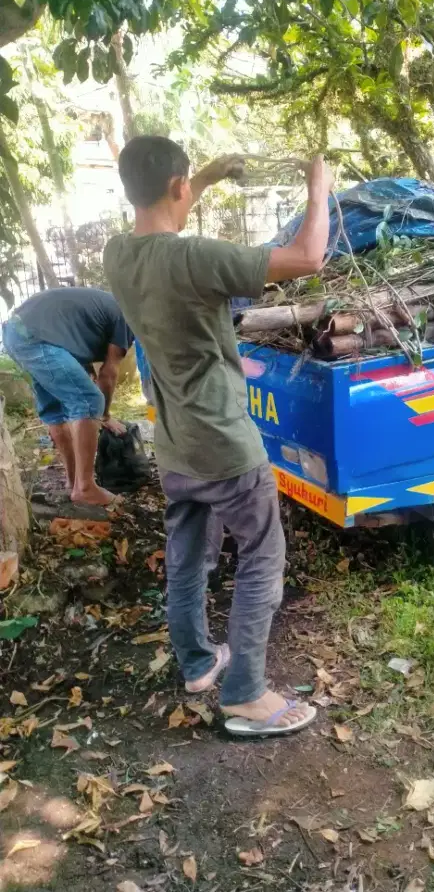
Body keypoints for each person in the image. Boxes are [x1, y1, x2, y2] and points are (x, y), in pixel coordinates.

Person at [104, 136, 333, 737]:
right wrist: (319, 186)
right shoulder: (196, 259)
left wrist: (200, 176)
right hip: (227, 446)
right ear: (177, 189)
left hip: (175, 446)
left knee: (186, 561)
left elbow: (162, 212)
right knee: (262, 556)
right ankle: (246, 697)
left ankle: (199, 665)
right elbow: (308, 257)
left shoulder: (117, 255)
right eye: (188, 187)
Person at [1, 287, 133, 506]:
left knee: (57, 411)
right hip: (38, 338)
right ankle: (85, 488)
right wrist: (105, 415)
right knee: (90, 401)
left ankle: (73, 483)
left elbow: (76, 349)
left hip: (16, 332)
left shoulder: (101, 309)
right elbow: (108, 373)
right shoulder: (127, 316)